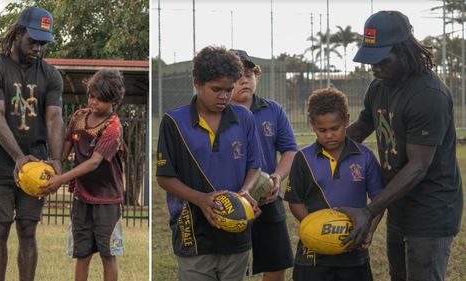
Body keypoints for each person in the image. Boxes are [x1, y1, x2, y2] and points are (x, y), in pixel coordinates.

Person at [342, 10, 463, 281]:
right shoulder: (379, 86)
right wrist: (324, 148)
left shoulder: (428, 95)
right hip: (399, 203)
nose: (374, 67)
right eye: (370, 60)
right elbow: (362, 127)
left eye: (381, 60)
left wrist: (369, 210)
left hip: (431, 211)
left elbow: (418, 167)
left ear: (404, 51)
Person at [156, 46, 263, 281]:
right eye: (216, 89)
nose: (224, 96)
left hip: (236, 230)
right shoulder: (174, 122)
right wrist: (200, 199)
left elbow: (255, 165)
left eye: (229, 89)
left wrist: (244, 194)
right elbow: (164, 177)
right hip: (192, 230)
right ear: (197, 82)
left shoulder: (244, 118)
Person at [0, 6, 63, 281]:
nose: (38, 48)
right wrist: (17, 157)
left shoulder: (51, 75)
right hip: (1, 163)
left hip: (37, 164)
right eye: (33, 41)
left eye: (43, 43)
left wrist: (57, 160)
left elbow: (54, 120)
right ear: (17, 33)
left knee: (28, 228)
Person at [284, 87, 385, 281]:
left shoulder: (365, 157)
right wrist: (315, 229)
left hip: (353, 249)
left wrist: (369, 229)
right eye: (322, 130)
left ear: (346, 120)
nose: (329, 135)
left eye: (335, 128)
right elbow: (295, 201)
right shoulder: (303, 158)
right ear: (312, 125)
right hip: (312, 256)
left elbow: (378, 200)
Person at [41, 69, 126, 281]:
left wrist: (61, 180)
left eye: (100, 99)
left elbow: (94, 162)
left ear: (113, 100)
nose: (94, 102)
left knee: (108, 254)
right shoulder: (78, 117)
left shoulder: (113, 127)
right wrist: (53, 169)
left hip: (107, 199)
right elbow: (65, 148)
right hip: (81, 196)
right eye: (92, 96)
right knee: (82, 253)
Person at [230, 49, 296, 281]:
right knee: (230, 265)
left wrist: (277, 177)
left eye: (249, 74)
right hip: (230, 199)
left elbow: (290, 150)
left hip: (267, 196)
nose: (244, 79)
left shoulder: (273, 110)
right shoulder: (217, 113)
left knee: (277, 262)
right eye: (237, 75)